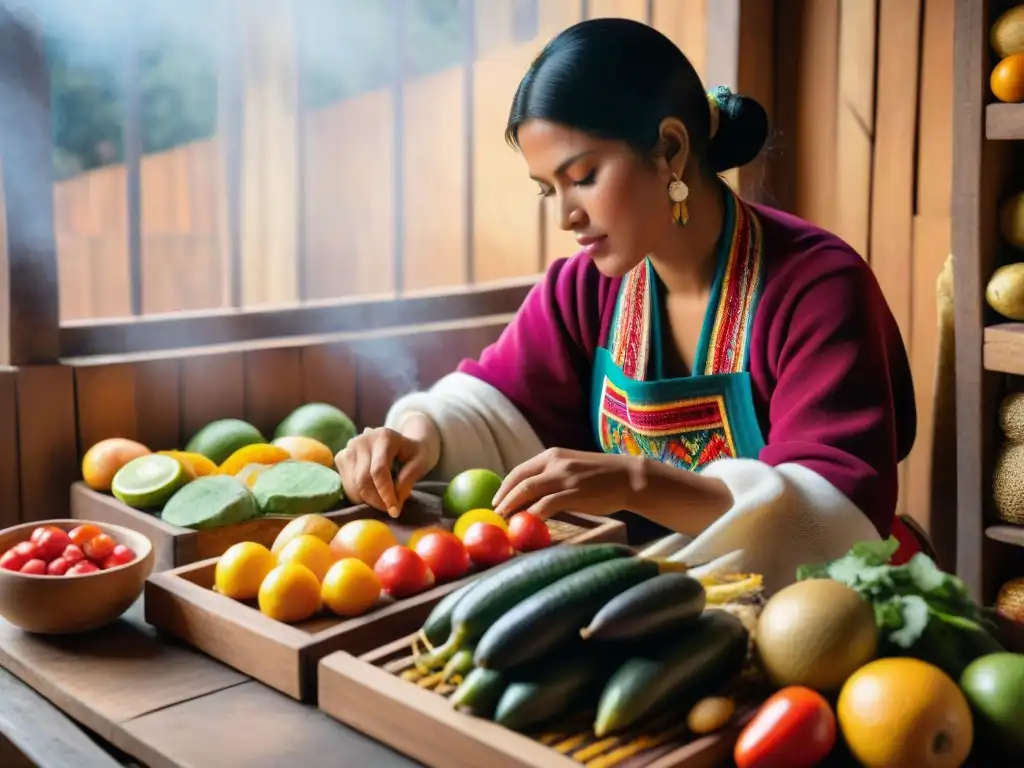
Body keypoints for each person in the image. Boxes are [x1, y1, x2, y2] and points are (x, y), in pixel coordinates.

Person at [335, 18, 920, 593]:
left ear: (669, 147)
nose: (566, 215)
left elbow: (837, 522)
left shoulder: (816, 287)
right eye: (549, 189)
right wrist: (417, 435)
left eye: (583, 176)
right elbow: (490, 404)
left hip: (815, 623)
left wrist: (638, 483)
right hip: (651, 612)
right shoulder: (584, 289)